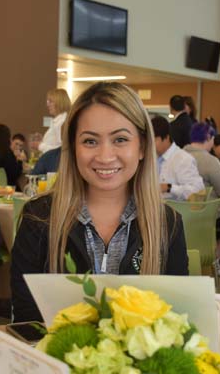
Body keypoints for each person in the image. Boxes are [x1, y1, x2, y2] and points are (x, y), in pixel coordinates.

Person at [11, 82, 189, 322]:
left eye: (120, 140)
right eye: (90, 141)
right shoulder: (38, 217)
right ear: (73, 148)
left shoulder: (168, 223)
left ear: (142, 147)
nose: (105, 156)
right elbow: (27, 320)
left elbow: (175, 322)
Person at [185, 122, 220, 273]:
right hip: (205, 215)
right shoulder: (209, 161)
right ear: (209, 138)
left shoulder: (176, 156)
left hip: (180, 217)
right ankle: (213, 254)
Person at [151, 116, 204, 200]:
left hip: (175, 210)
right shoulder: (151, 158)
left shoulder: (183, 159)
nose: (150, 145)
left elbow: (197, 191)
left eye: (153, 140)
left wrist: (169, 187)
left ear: (166, 138)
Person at [38, 88, 71, 153]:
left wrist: (40, 145)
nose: (47, 105)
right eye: (47, 101)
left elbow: (61, 149)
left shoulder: (62, 122)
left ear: (59, 102)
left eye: (50, 101)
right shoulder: (58, 120)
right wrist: (43, 140)